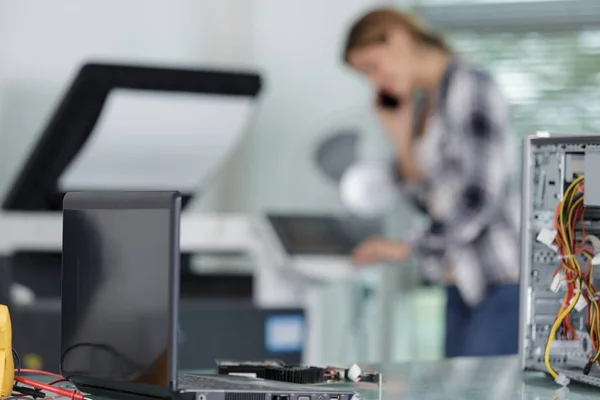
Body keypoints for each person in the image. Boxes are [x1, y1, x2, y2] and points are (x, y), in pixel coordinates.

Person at [343, 8, 521, 358]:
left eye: (373, 66)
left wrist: (406, 247)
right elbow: (429, 203)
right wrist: (400, 136)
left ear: (397, 36)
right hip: (460, 281)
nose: (376, 82)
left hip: (498, 281)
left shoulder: (471, 85)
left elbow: (478, 200)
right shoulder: (428, 104)